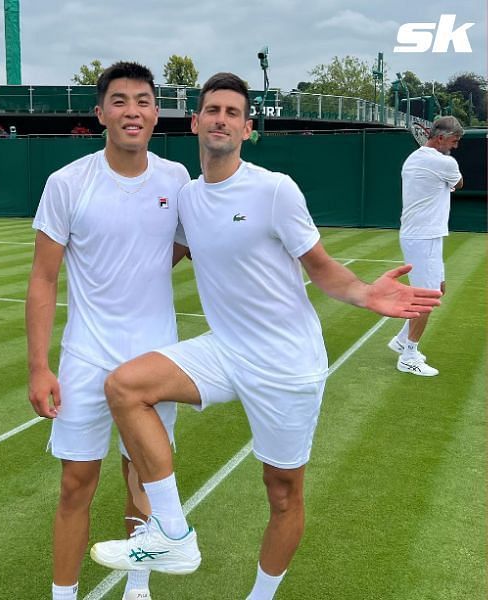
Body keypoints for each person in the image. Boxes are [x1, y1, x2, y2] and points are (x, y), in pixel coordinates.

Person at [87, 73, 441, 600]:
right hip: (224, 350)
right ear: (195, 122)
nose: (221, 119)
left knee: (282, 493)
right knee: (125, 387)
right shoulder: (186, 197)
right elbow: (158, 260)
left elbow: (318, 266)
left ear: (248, 128)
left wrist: (366, 294)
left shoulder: (274, 190)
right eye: (213, 110)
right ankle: (173, 534)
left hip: (286, 363)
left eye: (233, 112)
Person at [27, 61, 190, 600]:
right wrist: (39, 366)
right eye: (119, 101)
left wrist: (143, 268)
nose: (132, 111)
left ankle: (137, 584)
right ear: (100, 113)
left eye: (142, 100)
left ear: (156, 112)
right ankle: (64, 595)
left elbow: (191, 243)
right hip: (86, 356)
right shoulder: (67, 182)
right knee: (76, 483)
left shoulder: (175, 179)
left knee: (143, 479)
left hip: (153, 358)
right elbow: (44, 279)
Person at [391, 115, 463, 376]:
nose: (455, 146)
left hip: (423, 236)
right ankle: (409, 355)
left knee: (438, 289)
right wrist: (449, 179)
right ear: (441, 138)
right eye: (454, 141)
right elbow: (459, 183)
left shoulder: (415, 158)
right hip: (422, 237)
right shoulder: (444, 163)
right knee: (426, 297)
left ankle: (400, 341)